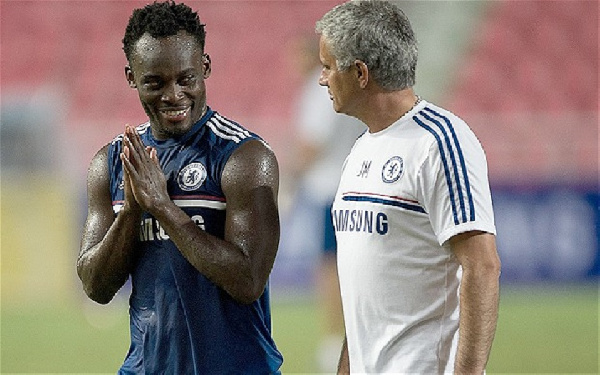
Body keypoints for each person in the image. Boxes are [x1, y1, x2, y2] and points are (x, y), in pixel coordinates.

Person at [76, 2, 283, 373]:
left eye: (185, 79)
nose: (173, 95)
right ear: (131, 77)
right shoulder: (111, 163)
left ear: (205, 67)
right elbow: (95, 285)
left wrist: (163, 207)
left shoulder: (245, 158)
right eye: (155, 82)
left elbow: (248, 280)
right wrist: (134, 211)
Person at [315, 1, 501, 374]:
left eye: (328, 67)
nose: (322, 79)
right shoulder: (362, 148)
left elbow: (482, 266)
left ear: (361, 73)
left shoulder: (442, 143)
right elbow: (363, 293)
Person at [284, 35, 364, 372]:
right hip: (341, 186)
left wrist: (289, 177)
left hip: (330, 190)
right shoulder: (329, 88)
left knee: (332, 269)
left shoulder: (319, 92)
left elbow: (312, 143)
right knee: (341, 268)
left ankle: (337, 343)